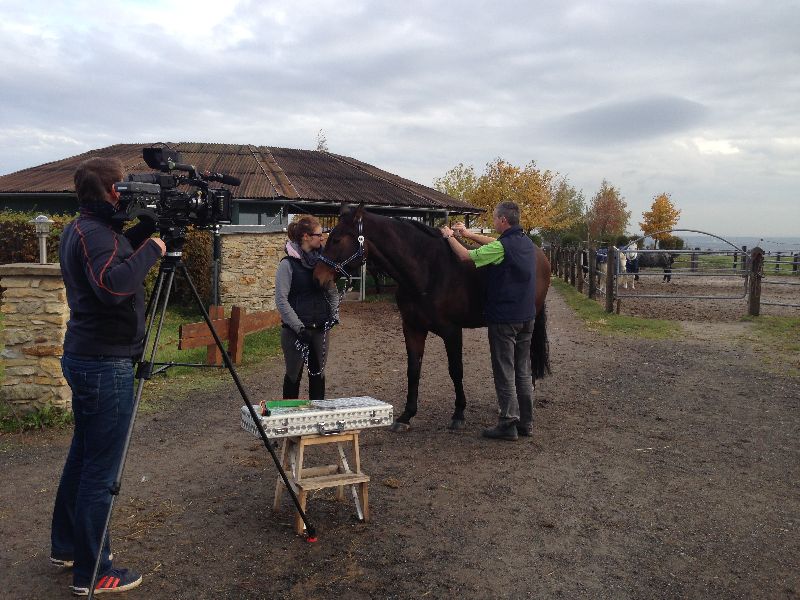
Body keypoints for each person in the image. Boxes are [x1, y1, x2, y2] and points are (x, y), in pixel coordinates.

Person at [51, 157, 166, 595]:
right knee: (101, 470)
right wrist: (154, 249)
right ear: (113, 191)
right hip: (104, 363)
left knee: (84, 457)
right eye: (126, 186)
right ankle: (94, 572)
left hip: (90, 356)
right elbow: (112, 285)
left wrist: (144, 229)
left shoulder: (86, 228)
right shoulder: (95, 233)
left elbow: (114, 253)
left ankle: (67, 547)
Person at [441, 201, 537, 442]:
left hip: (505, 319)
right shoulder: (525, 242)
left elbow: (465, 256)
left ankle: (508, 423)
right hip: (527, 317)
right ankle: (526, 423)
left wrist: (449, 236)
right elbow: (495, 244)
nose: (494, 222)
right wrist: (467, 234)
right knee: (523, 371)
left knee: (504, 371)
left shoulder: (502, 248)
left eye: (495, 218)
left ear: (503, 220)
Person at [275, 216, 340, 400]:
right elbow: (281, 300)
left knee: (318, 376)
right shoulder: (287, 265)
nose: (322, 238)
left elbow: (332, 293)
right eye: (319, 234)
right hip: (295, 333)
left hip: (320, 330)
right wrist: (299, 328)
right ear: (306, 236)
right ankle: (290, 415)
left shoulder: (322, 264)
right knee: (293, 376)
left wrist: (334, 316)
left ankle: (317, 415)